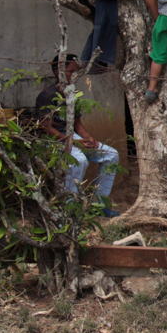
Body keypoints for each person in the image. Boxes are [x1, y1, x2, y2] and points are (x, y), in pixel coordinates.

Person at [35, 54, 121, 217]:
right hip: (52, 140)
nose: (75, 76)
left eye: (77, 72)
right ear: (57, 72)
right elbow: (46, 128)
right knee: (79, 160)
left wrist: (88, 138)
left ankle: (98, 205)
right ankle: (70, 209)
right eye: (71, 71)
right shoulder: (47, 95)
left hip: (72, 137)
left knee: (111, 155)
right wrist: (72, 142)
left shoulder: (72, 94)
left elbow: (78, 125)